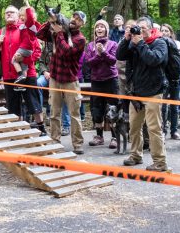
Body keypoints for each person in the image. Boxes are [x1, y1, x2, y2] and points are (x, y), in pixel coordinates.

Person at [119, 17, 171, 172]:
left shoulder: (160, 43)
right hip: (136, 92)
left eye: (143, 28)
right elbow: (119, 55)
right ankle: (135, 155)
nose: (139, 31)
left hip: (154, 91)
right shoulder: (134, 43)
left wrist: (140, 43)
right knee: (134, 126)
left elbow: (153, 60)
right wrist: (126, 39)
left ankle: (160, 162)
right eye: (137, 28)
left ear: (151, 29)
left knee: (154, 128)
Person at [0, 5, 45, 134]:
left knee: (33, 103)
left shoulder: (24, 29)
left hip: (27, 74)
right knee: (13, 107)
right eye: (6, 12)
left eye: (12, 12)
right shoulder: (1, 32)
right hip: (9, 76)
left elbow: (37, 51)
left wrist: (25, 60)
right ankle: (18, 132)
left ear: (18, 15)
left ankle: (42, 129)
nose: (9, 14)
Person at [37, 10, 87, 154]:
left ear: (82, 24)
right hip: (54, 79)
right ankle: (55, 141)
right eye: (73, 17)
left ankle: (77, 144)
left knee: (74, 115)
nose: (74, 20)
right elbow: (39, 34)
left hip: (70, 80)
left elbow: (66, 52)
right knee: (54, 112)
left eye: (78, 19)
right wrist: (51, 20)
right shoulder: (59, 31)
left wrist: (59, 33)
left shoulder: (80, 39)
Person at [81, 19, 119, 149]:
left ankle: (115, 137)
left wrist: (103, 52)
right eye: (97, 27)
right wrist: (98, 55)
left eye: (102, 26)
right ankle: (99, 136)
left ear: (106, 30)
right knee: (96, 109)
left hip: (110, 80)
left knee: (113, 108)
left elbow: (113, 61)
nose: (99, 29)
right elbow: (89, 63)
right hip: (96, 81)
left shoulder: (113, 44)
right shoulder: (90, 45)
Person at [159, 24, 180, 141]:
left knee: (174, 106)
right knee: (163, 106)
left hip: (175, 77)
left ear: (171, 32)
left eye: (166, 31)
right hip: (163, 77)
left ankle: (174, 131)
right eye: (162, 31)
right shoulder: (158, 43)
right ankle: (163, 130)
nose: (164, 33)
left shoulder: (177, 43)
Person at [13, 2, 40, 84]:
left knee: (14, 60)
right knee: (24, 66)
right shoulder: (23, 26)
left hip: (25, 48)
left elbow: (30, 20)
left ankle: (20, 74)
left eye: (23, 15)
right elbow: (17, 24)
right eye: (20, 15)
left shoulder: (31, 27)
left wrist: (28, 7)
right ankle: (22, 77)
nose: (21, 17)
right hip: (25, 49)